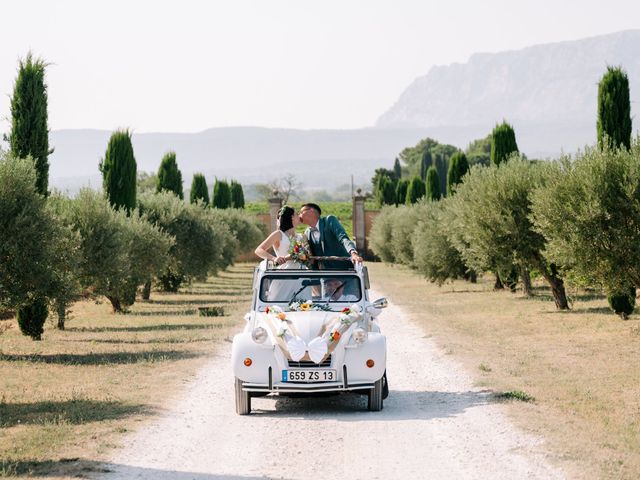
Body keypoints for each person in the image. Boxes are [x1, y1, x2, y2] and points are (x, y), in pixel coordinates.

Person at [299, 203, 363, 270]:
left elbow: (343, 238)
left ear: (311, 211)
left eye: (301, 212)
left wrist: (353, 253)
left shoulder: (329, 221)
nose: (299, 215)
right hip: (327, 275)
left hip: (345, 270)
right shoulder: (307, 232)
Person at [254, 205, 308, 270]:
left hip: (300, 274)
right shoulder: (279, 234)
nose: (299, 216)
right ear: (292, 217)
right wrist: (274, 259)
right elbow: (258, 250)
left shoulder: (300, 236)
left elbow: (305, 255)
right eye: (296, 214)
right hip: (284, 274)